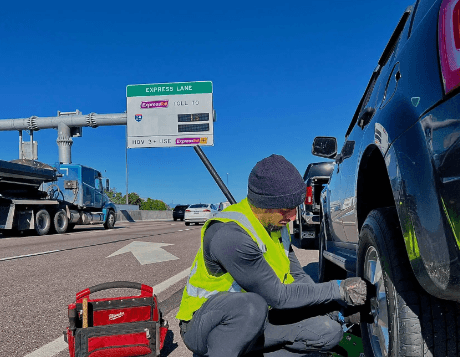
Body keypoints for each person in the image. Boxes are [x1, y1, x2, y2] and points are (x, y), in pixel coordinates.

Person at [176, 154, 368, 357]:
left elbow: (298, 277)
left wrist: (330, 308)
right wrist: (338, 289)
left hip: (258, 319)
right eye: (286, 209)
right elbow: (279, 297)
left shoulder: (276, 226)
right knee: (251, 307)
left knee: (328, 332)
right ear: (263, 204)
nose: (293, 216)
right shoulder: (229, 235)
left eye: (296, 208)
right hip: (205, 325)